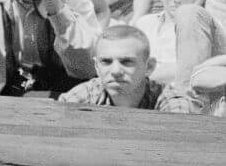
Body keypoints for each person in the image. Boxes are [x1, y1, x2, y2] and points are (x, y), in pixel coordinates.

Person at [57, 24, 197, 112]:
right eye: (106, 61)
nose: (116, 71)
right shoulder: (85, 96)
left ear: (149, 66)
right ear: (96, 67)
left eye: (126, 62)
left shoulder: (171, 102)